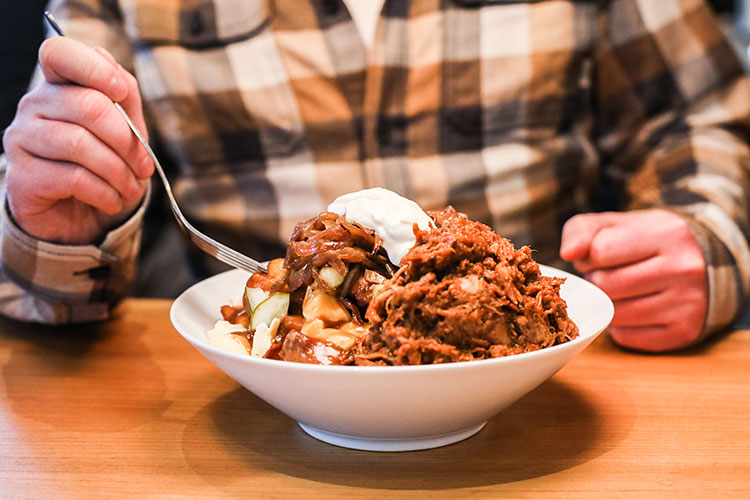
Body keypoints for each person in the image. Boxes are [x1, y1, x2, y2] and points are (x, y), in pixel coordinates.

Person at [1, 0, 749, 352]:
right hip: (242, 396)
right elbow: (56, 299)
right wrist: (63, 231)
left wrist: (702, 236)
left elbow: (694, 116)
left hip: (540, 368)